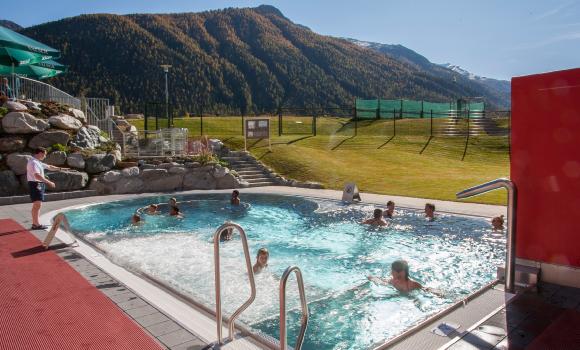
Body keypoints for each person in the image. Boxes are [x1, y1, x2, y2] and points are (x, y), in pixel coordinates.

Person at [27, 147, 64, 230]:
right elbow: (37, 175)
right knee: (37, 205)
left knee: (37, 205)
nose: (45, 156)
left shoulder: (37, 162)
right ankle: (36, 224)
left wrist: (60, 168)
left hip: (38, 184)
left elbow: (49, 167)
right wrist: (49, 182)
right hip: (35, 184)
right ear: (40, 153)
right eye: (44, 154)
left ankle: (35, 223)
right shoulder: (33, 163)